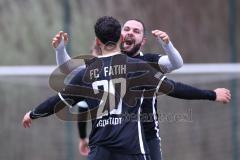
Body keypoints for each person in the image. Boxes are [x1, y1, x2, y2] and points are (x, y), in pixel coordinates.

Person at [51, 19, 231, 160]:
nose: (130, 33)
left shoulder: (149, 62)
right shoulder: (105, 63)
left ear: (143, 40)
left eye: (136, 31)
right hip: (117, 135)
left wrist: (167, 45)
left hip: (148, 134)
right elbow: (71, 70)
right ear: (120, 36)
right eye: (126, 29)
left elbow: (176, 64)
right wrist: (60, 49)